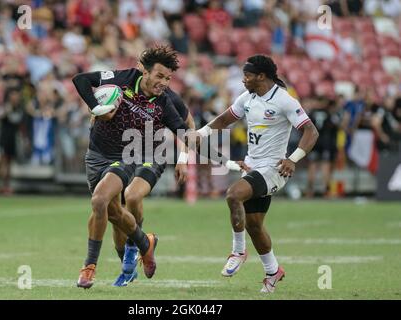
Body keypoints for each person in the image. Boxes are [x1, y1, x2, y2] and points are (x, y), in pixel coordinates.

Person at [195, 55, 319, 293]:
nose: (244, 80)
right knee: (254, 225)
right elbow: (225, 119)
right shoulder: (248, 98)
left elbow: (311, 132)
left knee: (233, 195)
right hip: (253, 166)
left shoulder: (284, 100)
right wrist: (200, 133)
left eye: (248, 75)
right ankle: (273, 271)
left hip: (274, 169)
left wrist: (293, 159)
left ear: (262, 76)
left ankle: (238, 251)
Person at [72, 45, 191, 289]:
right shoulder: (123, 79)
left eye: (168, 78)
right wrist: (97, 107)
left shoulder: (166, 100)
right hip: (96, 154)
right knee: (114, 213)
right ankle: (144, 243)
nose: (164, 82)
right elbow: (81, 80)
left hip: (130, 155)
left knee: (103, 200)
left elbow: (185, 128)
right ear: (143, 71)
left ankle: (89, 267)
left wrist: (189, 156)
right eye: (159, 76)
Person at [0, 88, 24, 196]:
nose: (16, 98)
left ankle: (6, 186)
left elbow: (19, 122)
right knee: (1, 162)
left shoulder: (19, 109)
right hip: (4, 138)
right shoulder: (6, 107)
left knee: (9, 163)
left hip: (13, 139)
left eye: (17, 95)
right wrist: (6, 110)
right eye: (14, 95)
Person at [306, 98, 340, 198]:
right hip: (326, 143)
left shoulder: (311, 113)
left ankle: (310, 191)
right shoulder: (329, 113)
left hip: (313, 142)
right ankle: (326, 191)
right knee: (325, 166)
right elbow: (336, 127)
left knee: (312, 166)